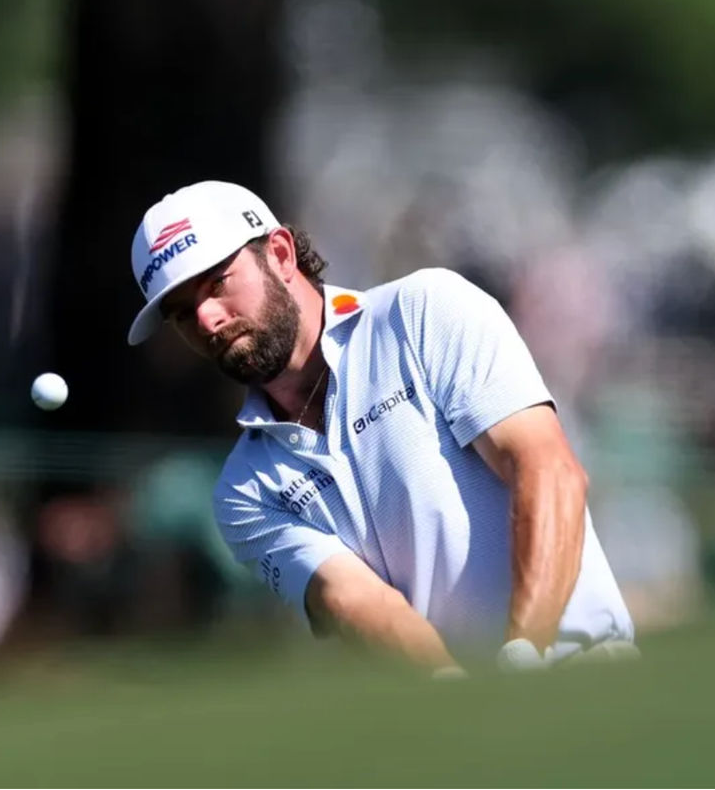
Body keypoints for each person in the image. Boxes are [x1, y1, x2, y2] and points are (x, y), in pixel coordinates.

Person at [127, 180, 634, 675]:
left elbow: (547, 472)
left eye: (217, 283)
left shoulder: (424, 313)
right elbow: (352, 601)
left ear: (280, 254)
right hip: (464, 729)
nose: (207, 319)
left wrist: (525, 654)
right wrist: (464, 700)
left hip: (585, 681)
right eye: (181, 313)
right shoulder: (243, 490)